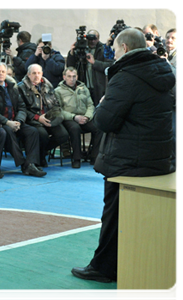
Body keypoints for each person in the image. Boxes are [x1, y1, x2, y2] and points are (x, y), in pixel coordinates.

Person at [71, 28, 177, 283]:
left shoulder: (126, 76)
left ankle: (103, 268)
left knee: (113, 214)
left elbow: (104, 121)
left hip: (128, 160)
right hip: (160, 158)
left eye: (116, 50)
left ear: (125, 49)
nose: (114, 55)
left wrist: (103, 103)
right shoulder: (163, 71)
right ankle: (138, 263)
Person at [0, 62, 47, 177]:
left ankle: (31, 163)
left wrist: (19, 121)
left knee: (32, 131)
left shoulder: (12, 87)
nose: (1, 74)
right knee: (8, 131)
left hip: (15, 121)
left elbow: (21, 107)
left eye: (3, 72)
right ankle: (24, 165)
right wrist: (7, 122)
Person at [18, 64, 69, 167]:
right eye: (33, 73)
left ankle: (41, 152)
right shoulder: (21, 87)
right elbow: (21, 109)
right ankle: (40, 157)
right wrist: (37, 118)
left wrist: (56, 117)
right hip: (33, 119)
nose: (36, 76)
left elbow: (55, 104)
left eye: (39, 73)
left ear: (42, 74)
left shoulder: (47, 84)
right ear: (28, 74)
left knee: (63, 135)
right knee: (43, 135)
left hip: (48, 116)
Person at [54, 67, 101, 168]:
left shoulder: (83, 88)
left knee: (99, 127)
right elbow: (58, 110)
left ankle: (94, 156)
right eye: (69, 76)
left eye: (74, 76)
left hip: (84, 117)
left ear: (77, 77)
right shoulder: (58, 91)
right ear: (64, 77)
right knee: (75, 128)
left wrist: (87, 117)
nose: (72, 79)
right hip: (69, 119)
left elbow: (90, 105)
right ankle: (76, 158)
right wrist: (74, 117)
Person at [66, 29, 113, 106]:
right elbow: (70, 67)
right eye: (90, 39)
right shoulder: (81, 49)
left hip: (98, 87)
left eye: (95, 39)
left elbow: (110, 65)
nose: (92, 41)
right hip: (84, 86)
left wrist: (95, 63)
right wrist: (72, 53)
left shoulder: (104, 49)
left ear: (99, 39)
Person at [165, 28, 180, 166]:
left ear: (179, 41)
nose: (169, 40)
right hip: (168, 101)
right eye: (168, 37)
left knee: (175, 135)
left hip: (178, 103)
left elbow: (177, 76)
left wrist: (165, 62)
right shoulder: (166, 54)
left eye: (173, 38)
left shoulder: (180, 56)